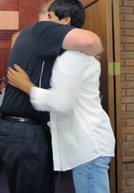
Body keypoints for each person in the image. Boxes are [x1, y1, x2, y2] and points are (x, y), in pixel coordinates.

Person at [0, 0, 103, 193]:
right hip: (23, 129)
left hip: (75, 137)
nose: (43, 21)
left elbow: (61, 101)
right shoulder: (52, 41)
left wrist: (28, 86)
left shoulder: (70, 53)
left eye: (49, 16)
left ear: (65, 21)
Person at [8, 50, 115, 193]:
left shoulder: (74, 60)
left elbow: (60, 101)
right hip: (88, 146)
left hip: (88, 146)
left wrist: (26, 86)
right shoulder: (75, 60)